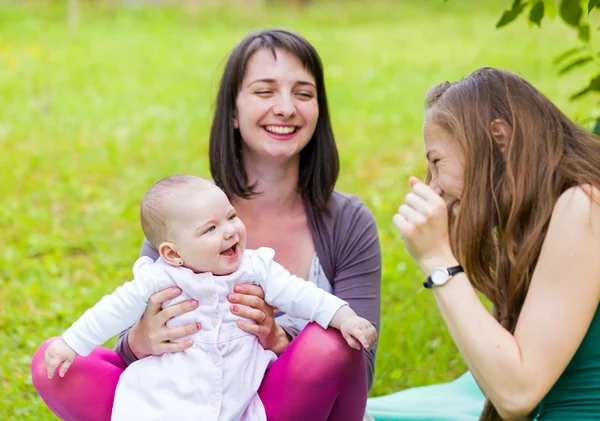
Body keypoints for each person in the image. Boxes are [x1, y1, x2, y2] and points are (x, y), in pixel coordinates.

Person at [31, 29, 382, 421]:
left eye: (303, 93)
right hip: (185, 403)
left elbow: (358, 364)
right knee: (55, 363)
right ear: (232, 111)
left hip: (276, 408)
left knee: (327, 343)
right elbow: (125, 331)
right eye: (265, 91)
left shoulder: (348, 223)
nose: (285, 108)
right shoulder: (185, 215)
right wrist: (141, 340)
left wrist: (277, 339)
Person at [43, 175, 377, 421]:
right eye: (210, 229)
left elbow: (303, 294)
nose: (230, 230)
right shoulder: (160, 277)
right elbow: (112, 309)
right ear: (173, 253)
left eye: (231, 217)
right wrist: (72, 342)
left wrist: (344, 317)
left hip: (241, 399)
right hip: (171, 403)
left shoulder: (255, 268)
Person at [393, 67, 600, 421]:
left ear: (498, 139)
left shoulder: (584, 206)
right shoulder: (539, 220)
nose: (434, 187)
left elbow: (516, 393)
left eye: (437, 162)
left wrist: (438, 260)